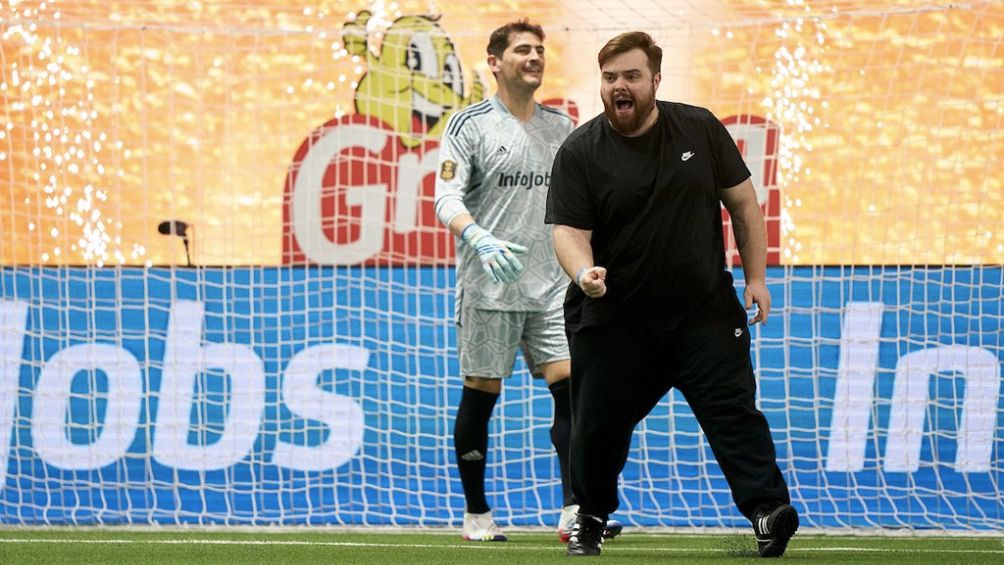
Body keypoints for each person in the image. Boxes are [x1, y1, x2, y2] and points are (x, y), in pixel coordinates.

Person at [545, 31, 798, 557]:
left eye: (631, 76)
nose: (620, 86)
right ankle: (589, 516)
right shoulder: (580, 151)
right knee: (598, 424)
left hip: (701, 314)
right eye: (610, 77)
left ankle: (767, 511)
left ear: (655, 81)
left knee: (734, 412)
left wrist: (756, 278)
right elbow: (567, 232)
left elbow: (745, 206)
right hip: (614, 320)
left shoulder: (700, 128)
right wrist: (584, 273)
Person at [434, 19, 623, 544]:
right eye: (522, 50)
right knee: (482, 392)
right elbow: (445, 196)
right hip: (489, 286)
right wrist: (480, 239)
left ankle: (574, 508)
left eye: (539, 50)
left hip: (550, 289)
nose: (534, 57)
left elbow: (586, 205)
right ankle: (476, 514)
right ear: (495, 62)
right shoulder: (467, 125)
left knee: (571, 392)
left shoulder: (563, 129)